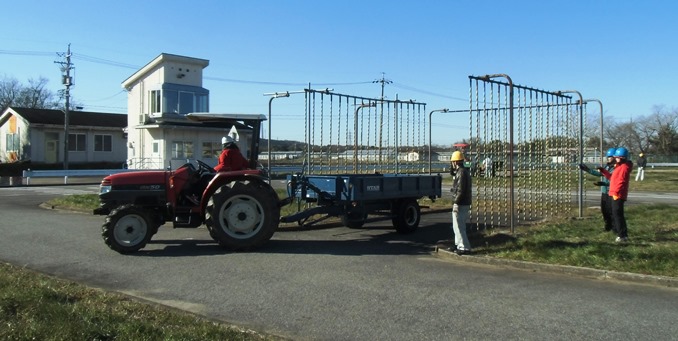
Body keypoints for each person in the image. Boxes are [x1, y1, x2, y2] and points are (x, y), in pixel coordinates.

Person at [598, 147, 633, 243]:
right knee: (616, 214)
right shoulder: (619, 166)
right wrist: (603, 171)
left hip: (617, 194)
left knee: (618, 215)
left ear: (622, 158)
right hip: (614, 193)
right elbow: (612, 178)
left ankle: (622, 236)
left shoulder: (624, 168)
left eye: (617, 157)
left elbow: (621, 182)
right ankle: (622, 234)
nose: (615, 159)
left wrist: (616, 193)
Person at [579, 147, 616, 232]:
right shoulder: (607, 166)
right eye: (608, 157)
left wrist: (605, 184)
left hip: (611, 191)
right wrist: (587, 169)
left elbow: (615, 180)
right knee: (604, 210)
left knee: (611, 211)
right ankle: (607, 226)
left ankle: (614, 228)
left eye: (610, 157)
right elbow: (600, 174)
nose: (608, 158)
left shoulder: (615, 168)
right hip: (604, 192)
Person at [448, 150, 472, 255]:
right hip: (463, 201)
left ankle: (464, 247)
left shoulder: (461, 173)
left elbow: (461, 189)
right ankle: (458, 244)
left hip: (461, 202)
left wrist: (456, 202)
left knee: (459, 225)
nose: (452, 163)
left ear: (455, 162)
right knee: (456, 225)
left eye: (452, 162)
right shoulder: (462, 171)